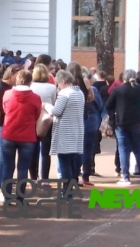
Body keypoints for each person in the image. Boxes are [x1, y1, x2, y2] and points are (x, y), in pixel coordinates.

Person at [0, 70, 41, 201]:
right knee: (23, 168)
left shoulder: (7, 94)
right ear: (30, 81)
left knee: (7, 166)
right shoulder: (35, 97)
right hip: (27, 135)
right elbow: (37, 115)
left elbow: (5, 110)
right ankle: (20, 197)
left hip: (9, 133)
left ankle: (6, 196)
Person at [105, 69, 140, 185]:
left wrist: (112, 117)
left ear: (123, 78)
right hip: (136, 121)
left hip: (121, 122)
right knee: (137, 149)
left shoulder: (118, 90)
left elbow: (108, 105)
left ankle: (125, 177)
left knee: (123, 149)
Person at [46, 70, 85, 198]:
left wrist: (46, 106)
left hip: (65, 132)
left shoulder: (64, 94)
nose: (58, 86)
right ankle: (70, 190)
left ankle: (66, 192)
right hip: (76, 131)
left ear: (62, 81)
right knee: (72, 162)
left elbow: (56, 111)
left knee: (64, 164)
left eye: (58, 83)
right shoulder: (79, 93)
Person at [0, 64, 20, 201]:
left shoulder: (8, 88)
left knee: (3, 157)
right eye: (18, 75)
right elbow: (0, 110)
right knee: (2, 157)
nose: (19, 79)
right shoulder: (2, 89)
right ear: (11, 74)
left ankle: (2, 186)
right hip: (2, 125)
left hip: (7, 125)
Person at [28, 64, 57, 183]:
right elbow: (54, 102)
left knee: (32, 150)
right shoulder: (52, 87)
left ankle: (33, 177)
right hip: (47, 119)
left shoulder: (30, 86)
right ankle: (44, 178)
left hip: (32, 118)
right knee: (45, 151)